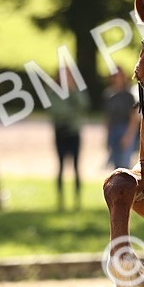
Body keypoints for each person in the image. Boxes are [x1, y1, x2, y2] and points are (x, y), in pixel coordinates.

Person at [49, 69, 90, 209]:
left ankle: (77, 200)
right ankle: (60, 200)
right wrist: (72, 112)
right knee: (60, 167)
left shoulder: (76, 92)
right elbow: (56, 110)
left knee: (76, 167)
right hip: (60, 133)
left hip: (73, 133)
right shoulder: (53, 93)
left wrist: (72, 91)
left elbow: (84, 104)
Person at [103, 66, 139, 169]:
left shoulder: (129, 96)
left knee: (124, 164)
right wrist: (107, 135)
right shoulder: (108, 94)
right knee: (115, 165)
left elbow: (133, 118)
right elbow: (107, 117)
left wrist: (128, 136)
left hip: (125, 129)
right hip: (113, 129)